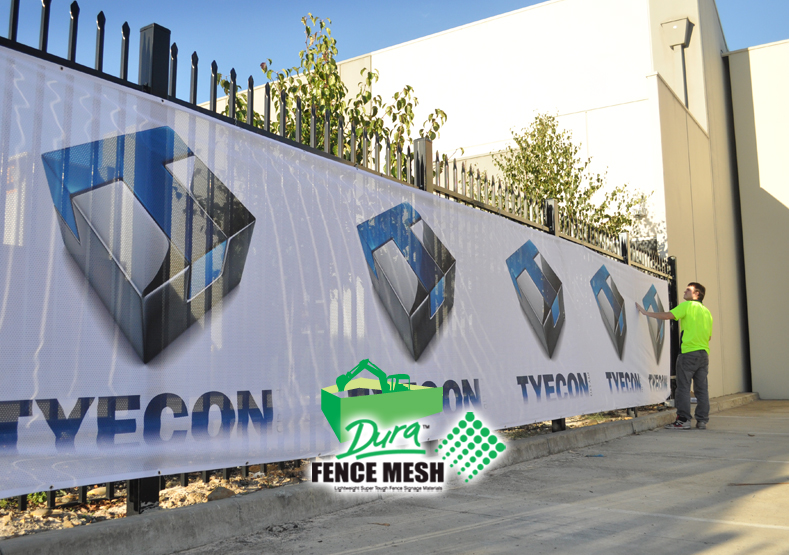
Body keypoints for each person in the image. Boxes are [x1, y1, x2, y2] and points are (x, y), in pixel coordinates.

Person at [635, 282, 713, 430]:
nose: (685, 291)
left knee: (683, 388)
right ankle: (702, 420)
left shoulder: (687, 306)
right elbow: (709, 337)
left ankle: (683, 420)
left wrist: (646, 313)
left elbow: (667, 315)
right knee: (702, 389)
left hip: (688, 353)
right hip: (703, 354)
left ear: (697, 294)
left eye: (688, 290)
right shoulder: (707, 312)